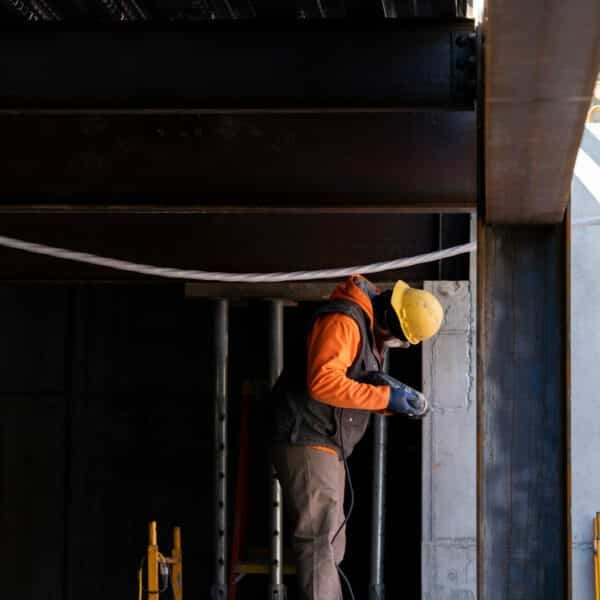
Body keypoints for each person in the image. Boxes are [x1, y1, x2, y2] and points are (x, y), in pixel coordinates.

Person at [269, 274, 444, 600]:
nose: (396, 344)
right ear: (393, 322)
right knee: (320, 537)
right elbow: (323, 383)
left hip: (324, 440)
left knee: (332, 541)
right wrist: (383, 397)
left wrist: (389, 397)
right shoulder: (344, 321)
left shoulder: (364, 325)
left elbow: (349, 383)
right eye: (401, 338)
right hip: (305, 434)